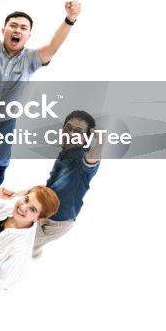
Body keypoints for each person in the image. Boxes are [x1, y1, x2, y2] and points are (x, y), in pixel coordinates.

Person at [0, 0, 82, 187]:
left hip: (4, 118)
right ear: (4, 31)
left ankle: (0, 167)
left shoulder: (31, 59)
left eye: (23, 28)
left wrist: (70, 19)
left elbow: (52, 48)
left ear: (29, 35)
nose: (17, 30)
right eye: (13, 25)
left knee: (2, 153)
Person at [32, 110, 103, 257]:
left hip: (57, 222)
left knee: (20, 242)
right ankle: (35, 249)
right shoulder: (66, 152)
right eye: (68, 128)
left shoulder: (81, 158)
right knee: (27, 239)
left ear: (85, 139)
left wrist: (101, 141)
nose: (70, 133)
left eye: (77, 131)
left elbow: (91, 159)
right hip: (46, 211)